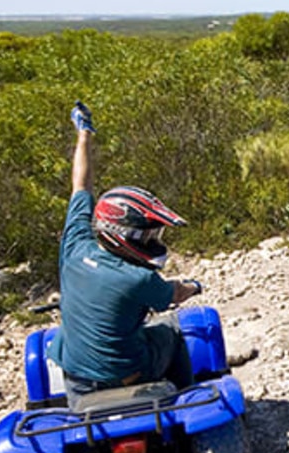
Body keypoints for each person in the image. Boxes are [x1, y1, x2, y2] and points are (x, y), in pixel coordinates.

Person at [49, 100, 204, 409]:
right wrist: (193, 286)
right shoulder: (139, 278)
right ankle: (185, 401)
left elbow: (80, 183)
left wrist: (84, 135)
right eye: (147, 234)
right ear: (123, 237)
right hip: (129, 377)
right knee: (172, 328)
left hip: (78, 383)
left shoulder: (76, 244)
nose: (152, 240)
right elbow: (173, 293)